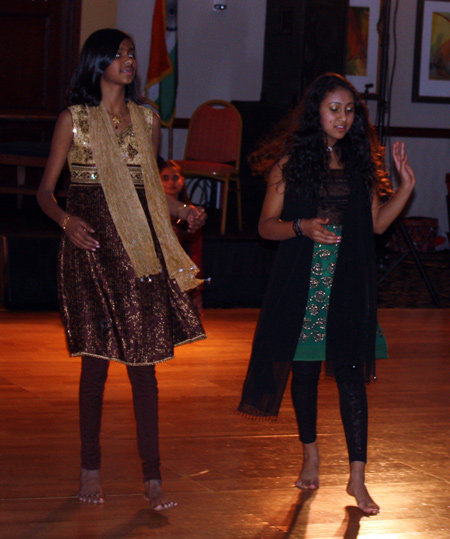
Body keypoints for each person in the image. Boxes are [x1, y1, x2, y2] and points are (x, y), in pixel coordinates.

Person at [37, 28, 206, 510]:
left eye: (131, 54)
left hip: (139, 252)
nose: (128, 61)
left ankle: (152, 480)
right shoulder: (74, 120)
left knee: (143, 366)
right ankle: (90, 470)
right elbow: (45, 193)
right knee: (94, 367)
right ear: (97, 63)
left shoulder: (147, 120)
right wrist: (67, 222)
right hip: (89, 251)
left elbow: (150, 193)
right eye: (119, 54)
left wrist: (183, 211)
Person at [237, 73, 416, 515]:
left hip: (350, 283)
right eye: (334, 108)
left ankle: (357, 477)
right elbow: (265, 226)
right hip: (304, 283)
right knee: (305, 373)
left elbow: (376, 224)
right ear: (316, 111)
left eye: (349, 110)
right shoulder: (291, 164)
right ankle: (311, 453)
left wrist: (407, 188)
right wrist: (303, 227)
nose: (342, 117)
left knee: (353, 377)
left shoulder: (360, 165)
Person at [158, 158, 204, 315]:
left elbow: (195, 252)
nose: (171, 182)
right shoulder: (152, 209)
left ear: (183, 180)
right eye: (165, 178)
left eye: (175, 178)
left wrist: (196, 289)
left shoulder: (191, 213)